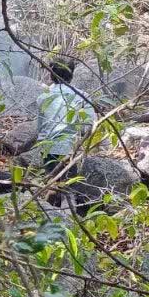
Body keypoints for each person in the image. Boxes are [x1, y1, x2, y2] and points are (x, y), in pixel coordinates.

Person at [37, 59, 96, 207]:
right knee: (68, 188)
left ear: (51, 75)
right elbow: (88, 126)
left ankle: (48, 212)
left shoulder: (43, 96)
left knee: (54, 182)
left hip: (47, 147)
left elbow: (40, 127)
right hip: (69, 148)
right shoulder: (82, 96)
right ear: (72, 75)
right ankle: (68, 218)